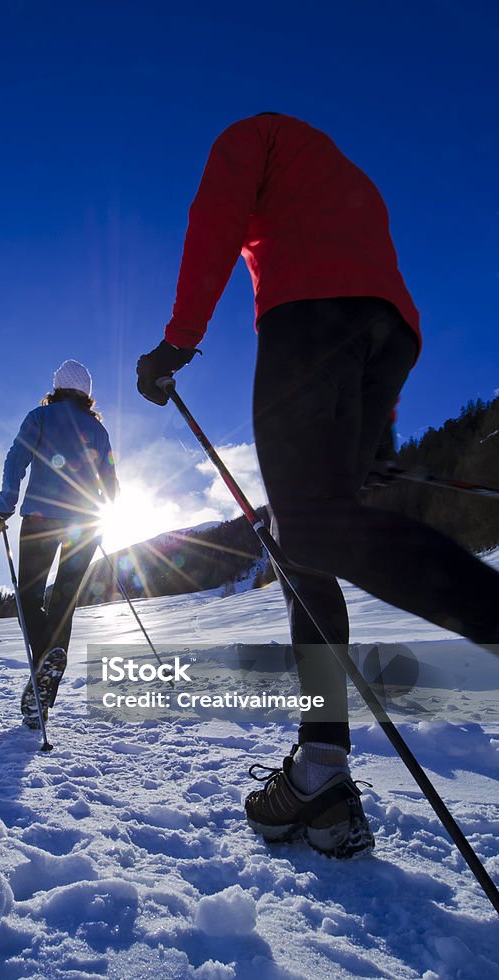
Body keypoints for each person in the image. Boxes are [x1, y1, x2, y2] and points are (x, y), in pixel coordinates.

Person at [136, 113, 499, 859]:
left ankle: (327, 761)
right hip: (387, 334)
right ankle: (318, 772)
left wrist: (178, 339)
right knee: (307, 546)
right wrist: (379, 440)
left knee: (305, 531)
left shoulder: (252, 134)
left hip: (307, 318)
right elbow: (376, 306)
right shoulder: (352, 182)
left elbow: (214, 217)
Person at [0, 359, 118, 724]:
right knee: (64, 600)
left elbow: (16, 460)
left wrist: (4, 507)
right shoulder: (97, 430)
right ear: (87, 394)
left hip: (42, 520)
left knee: (29, 595)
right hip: (87, 523)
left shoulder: (39, 418)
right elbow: (110, 481)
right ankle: (45, 691)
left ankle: (44, 662)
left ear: (57, 387)